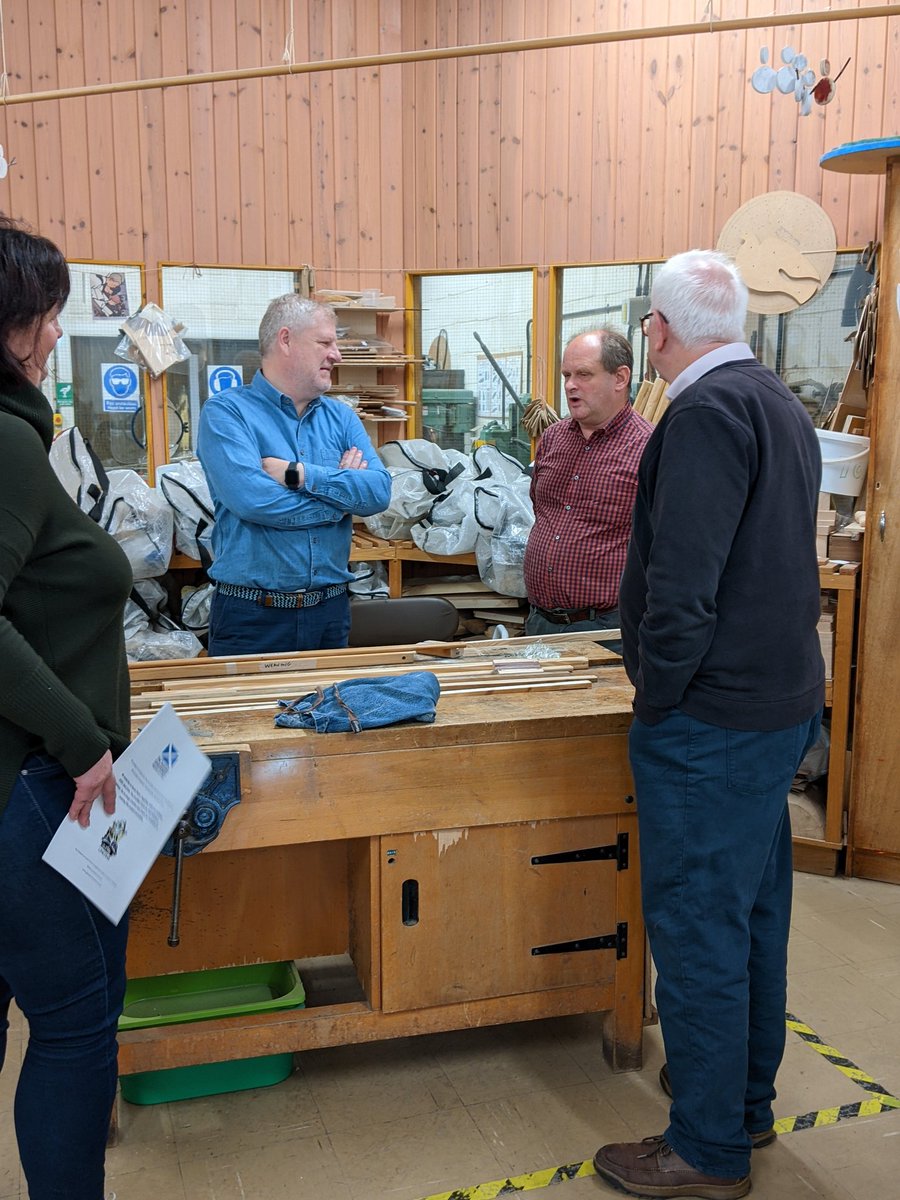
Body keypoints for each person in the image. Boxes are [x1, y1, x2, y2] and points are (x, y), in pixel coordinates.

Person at [593, 250, 824, 1199]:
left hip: (710, 721)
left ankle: (705, 1148)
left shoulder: (701, 415)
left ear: (656, 331)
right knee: (750, 917)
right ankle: (741, 1107)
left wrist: (658, 697)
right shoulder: (777, 402)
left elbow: (681, 591)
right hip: (773, 707)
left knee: (696, 931)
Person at [0, 217, 133, 1199]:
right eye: (47, 312)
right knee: (76, 1025)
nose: (57, 331)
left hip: (29, 779)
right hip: (32, 783)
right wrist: (82, 739)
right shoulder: (6, 440)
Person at [198, 295, 391, 656]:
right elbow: (256, 502)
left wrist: (299, 474)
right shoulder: (226, 414)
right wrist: (340, 501)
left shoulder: (341, 417)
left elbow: (379, 492)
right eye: (325, 343)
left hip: (331, 613)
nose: (337, 355)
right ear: (285, 340)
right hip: (252, 617)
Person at [523, 328, 652, 652]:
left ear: (620, 378)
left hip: (608, 630)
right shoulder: (552, 439)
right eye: (566, 375)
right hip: (539, 622)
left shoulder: (649, 448)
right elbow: (541, 510)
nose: (570, 385)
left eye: (583, 374)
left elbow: (662, 544)